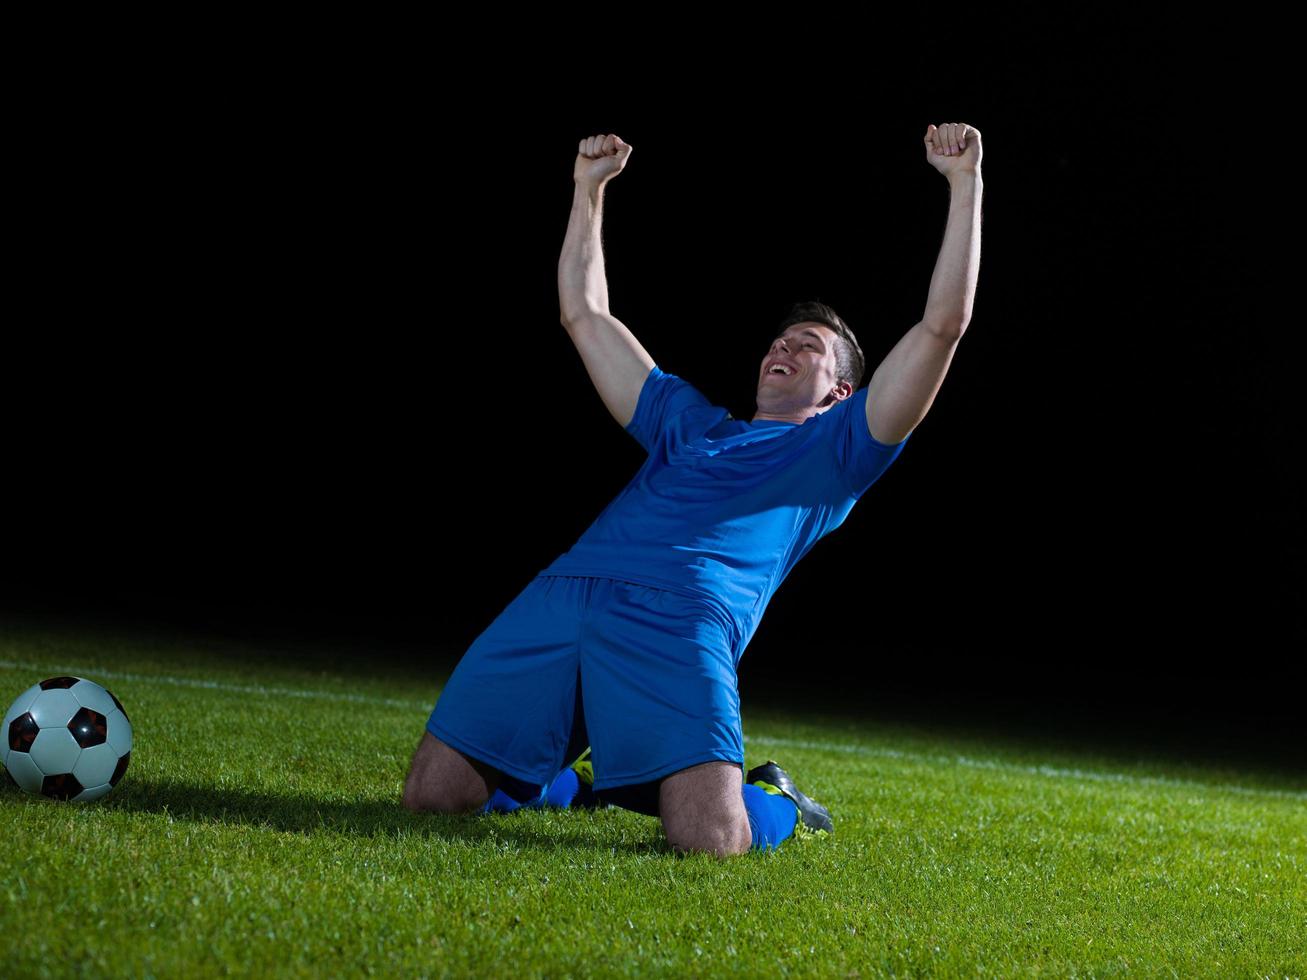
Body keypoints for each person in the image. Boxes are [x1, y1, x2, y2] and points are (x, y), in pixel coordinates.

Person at [403, 125, 983, 858]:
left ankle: (772, 796)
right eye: (780, 339)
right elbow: (584, 316)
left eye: (808, 345)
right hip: (565, 592)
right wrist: (588, 192)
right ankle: (575, 785)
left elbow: (942, 326)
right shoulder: (688, 423)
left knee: (710, 841)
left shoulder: (838, 451)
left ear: (840, 391)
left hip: (678, 622)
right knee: (431, 799)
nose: (784, 347)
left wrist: (964, 184)